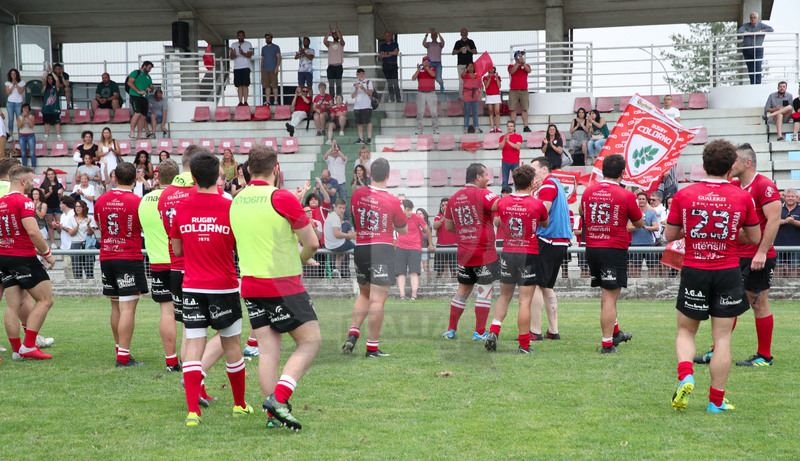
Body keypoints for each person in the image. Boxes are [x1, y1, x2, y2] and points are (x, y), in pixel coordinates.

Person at [665, 138, 761, 413]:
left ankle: (686, 375)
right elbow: (754, 237)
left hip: (695, 269)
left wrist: (696, 231)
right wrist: (729, 234)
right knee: (722, 339)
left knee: (686, 330)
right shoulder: (742, 196)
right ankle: (715, 402)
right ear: (731, 167)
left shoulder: (685, 194)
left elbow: (671, 235)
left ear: (704, 165)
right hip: (728, 270)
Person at [229, 145, 321, 431]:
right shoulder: (281, 197)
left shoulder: (236, 200)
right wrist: (301, 259)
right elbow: (313, 243)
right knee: (310, 341)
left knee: (268, 351)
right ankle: (279, 399)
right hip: (281, 283)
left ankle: (273, 417)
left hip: (251, 283)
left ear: (247, 170)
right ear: (276, 169)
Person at [170, 152, 252, 427]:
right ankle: (239, 405)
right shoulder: (230, 206)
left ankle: (193, 411)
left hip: (192, 285)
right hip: (224, 286)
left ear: (192, 177)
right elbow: (239, 248)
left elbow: (178, 249)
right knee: (232, 345)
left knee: (194, 345)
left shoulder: (181, 208)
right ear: (220, 174)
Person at [698, 143, 779, 367]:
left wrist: (761, 252)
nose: (730, 165)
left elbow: (773, 221)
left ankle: (764, 356)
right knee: (727, 302)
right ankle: (717, 350)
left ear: (747, 162)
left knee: (759, 303)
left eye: (734, 161)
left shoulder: (764, 185)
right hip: (735, 255)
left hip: (757, 256)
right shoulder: (734, 185)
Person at [159, 146, 225, 402]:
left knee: (191, 331)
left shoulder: (166, 194)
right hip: (203, 268)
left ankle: (196, 386)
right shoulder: (206, 190)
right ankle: (197, 381)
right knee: (225, 331)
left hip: (176, 267)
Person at [343, 158, 407, 357]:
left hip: (361, 247)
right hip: (382, 248)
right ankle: (372, 348)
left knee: (364, 294)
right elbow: (403, 230)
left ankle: (353, 334)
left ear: (370, 174)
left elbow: (354, 217)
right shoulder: (393, 200)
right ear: (389, 175)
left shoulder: (358, 194)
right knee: (378, 300)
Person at [580, 154, 643, 353]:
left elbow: (582, 212)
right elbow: (639, 222)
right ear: (622, 173)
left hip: (591, 247)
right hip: (613, 248)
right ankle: (607, 343)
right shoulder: (626, 195)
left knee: (606, 293)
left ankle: (615, 333)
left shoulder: (589, 191)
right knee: (609, 297)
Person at [484, 165, 549, 354]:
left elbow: (494, 209)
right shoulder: (537, 204)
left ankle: (493, 331)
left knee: (504, 296)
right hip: (528, 253)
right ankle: (524, 345)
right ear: (531, 183)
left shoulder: (503, 202)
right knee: (524, 301)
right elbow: (544, 222)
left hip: (508, 252)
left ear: (513, 182)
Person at [95, 162, 149, 366]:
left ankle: (121, 351)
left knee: (116, 307)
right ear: (135, 180)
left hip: (107, 256)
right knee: (127, 309)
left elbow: (100, 225)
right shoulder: (137, 201)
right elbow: (142, 228)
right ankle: (123, 357)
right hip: (128, 256)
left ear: (114, 178)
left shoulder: (101, 200)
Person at [0, 165, 56, 360]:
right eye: (31, 180)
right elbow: (33, 231)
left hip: (3, 255)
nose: (34, 183)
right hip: (22, 256)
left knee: (12, 306)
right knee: (46, 299)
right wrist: (47, 253)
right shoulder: (25, 202)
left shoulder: (1, 202)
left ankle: (17, 350)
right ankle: (29, 345)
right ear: (23, 181)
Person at [442, 163, 500, 341]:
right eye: (486, 175)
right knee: (484, 291)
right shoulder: (483, 193)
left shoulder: (454, 198)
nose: (488, 178)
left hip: (464, 253)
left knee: (462, 290)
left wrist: (466, 228)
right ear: (477, 177)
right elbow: (499, 205)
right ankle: (479, 332)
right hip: (484, 252)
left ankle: (451, 330)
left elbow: (449, 226)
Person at [138, 158, 182, 372]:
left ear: (157, 177)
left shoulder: (145, 200)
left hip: (156, 263)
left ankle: (171, 360)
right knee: (189, 314)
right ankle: (192, 359)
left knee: (166, 313)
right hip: (180, 261)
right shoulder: (178, 197)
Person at [528, 156, 572, 340]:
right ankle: (553, 330)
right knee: (547, 286)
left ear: (544, 170)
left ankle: (534, 331)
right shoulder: (558, 184)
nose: (532, 173)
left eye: (534, 169)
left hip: (547, 238)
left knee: (536, 285)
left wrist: (530, 197)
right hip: (560, 241)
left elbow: (542, 210)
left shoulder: (547, 185)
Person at [395, 199, 434, 300]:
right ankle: (402, 295)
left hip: (414, 248)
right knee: (400, 273)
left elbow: (427, 229)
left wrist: (430, 244)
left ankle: (414, 295)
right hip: (400, 247)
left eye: (410, 210)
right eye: (406, 210)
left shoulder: (417, 217)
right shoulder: (398, 218)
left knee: (414, 272)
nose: (408, 212)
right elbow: (391, 230)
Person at [628, 191, 659, 278]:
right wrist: (639, 226)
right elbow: (628, 228)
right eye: (640, 199)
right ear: (637, 201)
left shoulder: (651, 213)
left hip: (649, 244)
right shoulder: (633, 213)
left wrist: (645, 227)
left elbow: (656, 227)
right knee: (636, 267)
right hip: (636, 244)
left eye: (643, 199)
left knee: (652, 266)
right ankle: (636, 285)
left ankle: (652, 283)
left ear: (646, 201)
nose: (641, 201)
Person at [738, 12, 773, 85]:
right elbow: (739, 31)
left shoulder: (761, 25)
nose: (752, 19)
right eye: (751, 17)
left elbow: (771, 29)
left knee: (757, 66)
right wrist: (749, 33)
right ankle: (752, 83)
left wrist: (760, 31)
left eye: (754, 17)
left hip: (757, 49)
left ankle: (758, 84)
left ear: (757, 18)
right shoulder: (746, 25)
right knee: (750, 67)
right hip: (747, 49)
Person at [324, 198, 356, 278]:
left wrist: (348, 235)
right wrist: (348, 236)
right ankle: (360, 268)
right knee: (358, 249)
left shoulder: (331, 216)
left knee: (340, 253)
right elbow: (337, 234)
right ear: (335, 207)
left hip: (330, 246)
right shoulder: (335, 218)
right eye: (340, 207)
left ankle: (336, 269)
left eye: (344, 208)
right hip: (337, 245)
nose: (342, 210)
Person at [775, 188, 800, 277]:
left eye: (792, 196)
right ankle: (777, 288)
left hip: (796, 246)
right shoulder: (778, 208)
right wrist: (785, 221)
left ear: (797, 197)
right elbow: (772, 222)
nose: (790, 198)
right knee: (778, 268)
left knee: (795, 268)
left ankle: (793, 289)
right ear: (784, 197)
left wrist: (793, 222)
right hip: (778, 244)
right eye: (788, 196)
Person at [127, 61, 155, 140]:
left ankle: (139, 134)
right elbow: (130, 83)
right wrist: (138, 91)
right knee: (138, 113)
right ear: (144, 66)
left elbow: (152, 88)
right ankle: (132, 131)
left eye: (150, 68)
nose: (149, 70)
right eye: (149, 68)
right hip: (135, 96)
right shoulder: (136, 73)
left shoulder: (148, 77)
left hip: (144, 97)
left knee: (143, 116)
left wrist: (150, 88)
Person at [412, 57, 439, 135]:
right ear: (423, 62)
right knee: (420, 113)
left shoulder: (432, 69)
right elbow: (413, 78)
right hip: (421, 93)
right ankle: (419, 130)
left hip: (431, 93)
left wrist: (427, 68)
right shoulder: (420, 70)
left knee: (434, 113)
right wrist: (418, 69)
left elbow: (433, 74)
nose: (427, 62)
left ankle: (435, 130)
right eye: (426, 61)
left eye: (429, 61)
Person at [71, 200, 96, 279]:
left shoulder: (90, 218)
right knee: (77, 270)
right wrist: (77, 225)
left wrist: (88, 225)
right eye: (76, 206)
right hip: (76, 243)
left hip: (87, 244)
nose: (77, 208)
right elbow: (71, 233)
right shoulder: (72, 218)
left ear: (84, 208)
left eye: (79, 206)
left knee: (89, 269)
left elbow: (91, 232)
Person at [324, 140, 349, 218]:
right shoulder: (330, 159)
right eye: (334, 150)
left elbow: (344, 158)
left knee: (344, 201)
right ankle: (331, 218)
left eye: (337, 150)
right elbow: (325, 156)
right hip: (331, 182)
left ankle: (346, 219)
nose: (335, 151)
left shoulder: (341, 158)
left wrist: (337, 149)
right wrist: (332, 148)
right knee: (330, 201)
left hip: (341, 182)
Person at [507, 51, 531, 132]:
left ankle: (526, 126)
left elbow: (529, 70)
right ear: (515, 58)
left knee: (524, 108)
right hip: (514, 90)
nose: (520, 58)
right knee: (513, 109)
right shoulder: (511, 66)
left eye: (521, 56)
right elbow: (512, 71)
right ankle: (513, 127)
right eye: (518, 56)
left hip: (524, 90)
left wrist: (523, 63)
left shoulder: (526, 65)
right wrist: (517, 63)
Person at [433, 198, 458, 278]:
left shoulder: (455, 215)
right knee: (439, 271)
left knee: (454, 271)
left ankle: (455, 287)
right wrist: (444, 217)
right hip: (441, 246)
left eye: (446, 205)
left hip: (453, 246)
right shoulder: (438, 216)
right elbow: (435, 226)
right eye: (442, 205)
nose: (444, 207)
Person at [41, 168, 64, 248]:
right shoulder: (44, 185)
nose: (51, 176)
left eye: (52, 174)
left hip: (57, 207)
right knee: (50, 225)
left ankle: (63, 241)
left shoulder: (59, 185)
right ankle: (53, 243)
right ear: (47, 176)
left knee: (60, 224)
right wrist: (49, 193)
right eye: (49, 174)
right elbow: (42, 198)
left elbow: (61, 199)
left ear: (55, 175)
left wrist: (60, 194)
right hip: (48, 207)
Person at [230, 30, 254, 106]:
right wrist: (233, 54)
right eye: (239, 35)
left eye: (242, 35)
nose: (241, 37)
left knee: (245, 84)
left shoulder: (248, 44)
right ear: (237, 36)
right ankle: (240, 101)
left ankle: (246, 101)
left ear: (244, 36)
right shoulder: (233, 44)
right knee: (239, 85)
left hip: (245, 66)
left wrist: (242, 53)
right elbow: (231, 57)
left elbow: (250, 55)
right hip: (237, 67)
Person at [351, 69, 374, 145]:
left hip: (367, 105)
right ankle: (361, 139)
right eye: (359, 74)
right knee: (359, 123)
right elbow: (352, 96)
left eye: (362, 74)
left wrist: (363, 88)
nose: (361, 75)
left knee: (368, 122)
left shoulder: (368, 82)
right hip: (357, 106)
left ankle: (369, 138)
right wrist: (356, 89)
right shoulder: (355, 84)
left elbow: (371, 93)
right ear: (357, 75)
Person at [452, 28, 477, 97]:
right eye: (463, 32)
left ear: (467, 33)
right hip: (460, 64)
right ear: (460, 34)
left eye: (465, 32)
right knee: (461, 81)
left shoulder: (471, 42)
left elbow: (475, 52)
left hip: (469, 64)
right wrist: (460, 50)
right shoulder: (458, 43)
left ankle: (471, 95)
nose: (464, 34)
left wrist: (469, 50)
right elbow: (453, 52)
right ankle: (461, 96)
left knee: (470, 80)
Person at [324, 24, 346, 98]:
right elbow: (324, 41)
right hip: (331, 67)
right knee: (331, 85)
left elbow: (342, 39)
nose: (336, 35)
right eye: (334, 34)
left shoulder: (341, 43)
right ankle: (331, 100)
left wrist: (337, 29)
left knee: (339, 84)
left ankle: (339, 99)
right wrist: (329, 32)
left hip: (339, 66)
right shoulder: (330, 43)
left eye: (337, 34)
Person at [499, 121, 522, 191]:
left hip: (515, 162)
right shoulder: (502, 137)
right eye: (508, 126)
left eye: (511, 126)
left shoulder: (518, 136)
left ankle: (518, 195)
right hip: (505, 161)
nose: (509, 128)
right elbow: (500, 147)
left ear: (514, 128)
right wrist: (504, 140)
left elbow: (518, 147)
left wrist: (508, 141)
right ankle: (503, 196)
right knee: (505, 180)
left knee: (517, 181)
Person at [260, 32, 281, 106]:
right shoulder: (263, 48)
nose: (267, 39)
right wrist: (261, 69)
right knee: (266, 86)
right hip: (265, 69)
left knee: (274, 85)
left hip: (273, 69)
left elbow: (279, 57)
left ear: (271, 38)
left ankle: (275, 101)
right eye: (266, 38)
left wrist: (276, 67)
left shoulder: (276, 47)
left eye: (269, 38)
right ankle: (267, 101)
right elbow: (262, 59)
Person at [379, 32, 401, 103]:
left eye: (388, 36)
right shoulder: (382, 45)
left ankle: (398, 99)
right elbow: (382, 55)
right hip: (386, 65)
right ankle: (392, 99)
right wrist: (391, 53)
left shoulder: (395, 44)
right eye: (386, 36)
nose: (387, 37)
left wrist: (387, 53)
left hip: (393, 64)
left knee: (395, 82)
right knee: (389, 83)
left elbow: (396, 53)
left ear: (391, 36)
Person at [461, 62, 483, 133]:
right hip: (467, 95)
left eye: (472, 67)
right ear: (467, 67)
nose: (471, 68)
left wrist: (481, 93)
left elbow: (481, 86)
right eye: (470, 66)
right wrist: (465, 70)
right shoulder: (466, 75)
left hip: (475, 95)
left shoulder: (477, 76)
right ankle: (465, 128)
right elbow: (462, 75)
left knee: (475, 112)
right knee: (467, 112)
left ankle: (476, 127)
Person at [41, 69, 62, 140]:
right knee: (47, 123)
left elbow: (57, 80)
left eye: (51, 79)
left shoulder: (56, 87)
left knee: (57, 123)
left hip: (55, 108)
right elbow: (43, 78)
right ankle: (46, 136)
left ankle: (58, 136)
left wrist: (52, 72)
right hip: (46, 109)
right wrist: (47, 71)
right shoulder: (45, 87)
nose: (50, 80)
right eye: (49, 79)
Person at [5, 68, 25, 139]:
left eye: (14, 74)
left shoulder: (21, 82)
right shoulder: (8, 83)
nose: (13, 75)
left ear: (17, 74)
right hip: (10, 102)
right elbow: (8, 92)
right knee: (11, 119)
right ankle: (11, 135)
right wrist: (12, 84)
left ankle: (20, 135)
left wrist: (16, 84)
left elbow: (20, 92)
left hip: (19, 102)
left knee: (19, 118)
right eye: (12, 74)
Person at [17, 104, 36, 168]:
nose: (25, 110)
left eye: (27, 108)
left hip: (30, 135)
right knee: (23, 152)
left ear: (29, 110)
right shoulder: (19, 117)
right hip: (22, 135)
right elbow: (19, 126)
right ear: (22, 109)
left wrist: (27, 117)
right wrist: (23, 119)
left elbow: (32, 125)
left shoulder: (31, 116)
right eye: (24, 108)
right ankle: (24, 167)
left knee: (32, 152)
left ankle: (33, 167)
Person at [483, 67, 502, 133]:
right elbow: (486, 86)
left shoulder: (497, 77)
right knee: (491, 112)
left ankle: (498, 127)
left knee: (497, 111)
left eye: (492, 68)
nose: (491, 70)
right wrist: (490, 78)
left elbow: (499, 86)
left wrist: (496, 79)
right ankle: (492, 128)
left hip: (496, 95)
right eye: (490, 68)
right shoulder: (485, 77)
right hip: (489, 95)